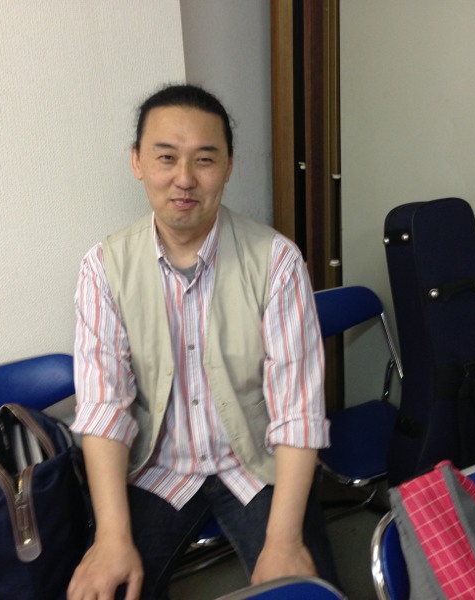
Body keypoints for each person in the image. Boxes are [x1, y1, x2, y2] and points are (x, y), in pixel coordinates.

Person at [68, 83, 337, 600]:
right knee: (108, 589)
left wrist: (283, 541)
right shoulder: (103, 269)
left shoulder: (277, 262)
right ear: (137, 162)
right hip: (157, 470)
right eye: (166, 157)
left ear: (229, 166)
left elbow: (298, 411)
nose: (185, 179)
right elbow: (104, 409)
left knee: (304, 591)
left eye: (205, 160)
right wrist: (111, 538)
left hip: (256, 467)